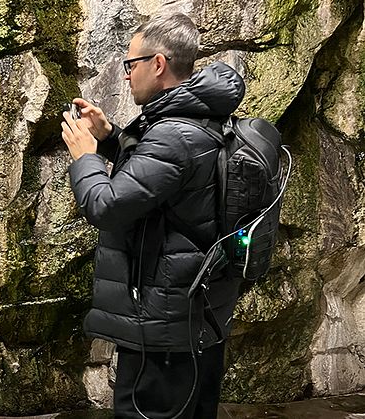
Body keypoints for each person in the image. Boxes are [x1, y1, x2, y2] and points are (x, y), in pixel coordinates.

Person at [61, 13, 245, 419]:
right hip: (197, 320)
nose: (127, 76)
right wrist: (111, 138)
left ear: (157, 64)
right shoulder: (203, 118)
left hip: (163, 332)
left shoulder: (173, 134)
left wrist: (86, 158)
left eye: (131, 64)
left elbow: (106, 206)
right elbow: (160, 182)